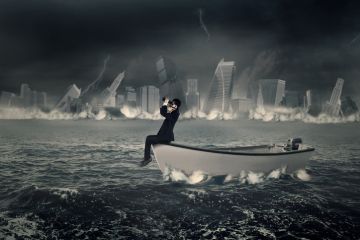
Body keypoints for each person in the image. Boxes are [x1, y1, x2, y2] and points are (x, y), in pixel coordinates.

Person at [140, 97, 181, 166]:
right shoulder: (173, 112)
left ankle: (147, 158)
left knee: (148, 139)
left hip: (165, 137)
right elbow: (163, 112)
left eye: (173, 105)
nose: (171, 106)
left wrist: (166, 103)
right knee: (150, 140)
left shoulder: (175, 113)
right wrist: (167, 102)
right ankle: (150, 156)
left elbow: (164, 112)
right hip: (165, 136)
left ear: (176, 106)